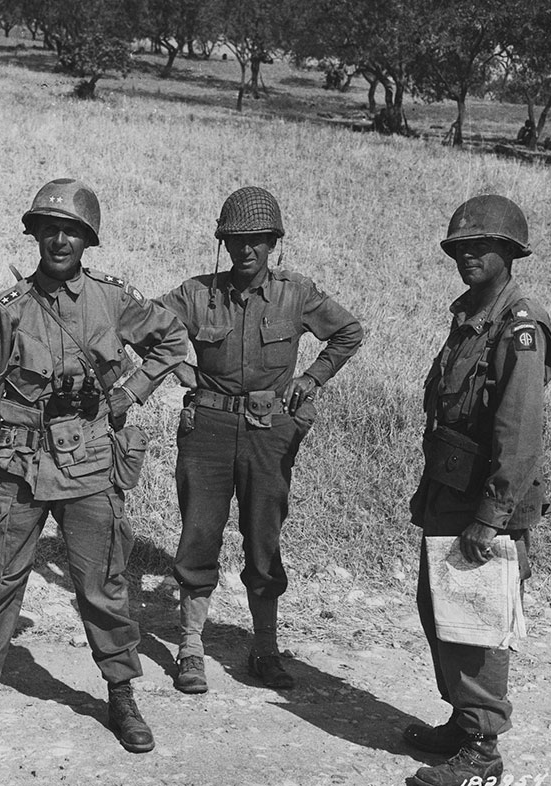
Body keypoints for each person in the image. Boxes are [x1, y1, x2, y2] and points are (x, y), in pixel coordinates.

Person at [0, 178, 188, 754]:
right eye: (50, 228)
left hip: (91, 462)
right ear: (35, 235)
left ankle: (120, 694)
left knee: (103, 584)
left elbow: (172, 342)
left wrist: (132, 392)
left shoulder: (112, 300)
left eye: (71, 230)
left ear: (86, 239)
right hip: (18, 465)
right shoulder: (8, 309)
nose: (59, 239)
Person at [154, 186, 363, 694]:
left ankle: (265, 648)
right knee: (199, 535)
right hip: (207, 431)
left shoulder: (296, 292)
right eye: (237, 240)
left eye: (258, 241)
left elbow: (349, 332)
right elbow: (141, 322)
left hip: (270, 433)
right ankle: (190, 648)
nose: (247, 250)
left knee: (264, 537)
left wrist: (312, 378)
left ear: (274, 243)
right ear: (224, 243)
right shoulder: (197, 293)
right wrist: (178, 365)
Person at [403, 195, 551, 786]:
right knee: (441, 612)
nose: (466, 254)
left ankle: (483, 751)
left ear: (510, 253)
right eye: (459, 247)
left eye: (481, 246)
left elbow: (518, 433)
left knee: (478, 622)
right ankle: (464, 723)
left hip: (484, 502)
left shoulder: (519, 325)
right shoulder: (471, 313)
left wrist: (490, 519)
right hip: (450, 489)